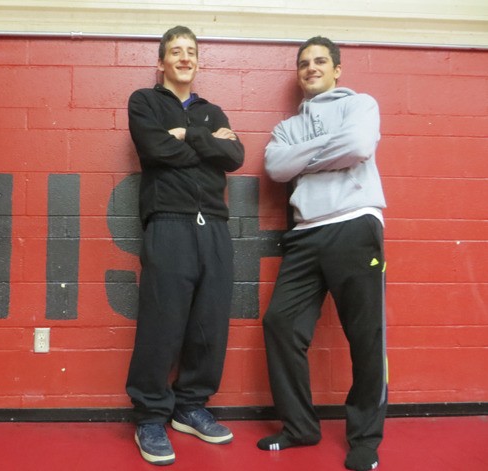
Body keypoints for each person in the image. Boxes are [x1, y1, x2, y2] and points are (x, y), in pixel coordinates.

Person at [258, 36, 388, 471]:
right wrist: (325, 152)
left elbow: (358, 146)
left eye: (320, 61)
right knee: (279, 323)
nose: (311, 67)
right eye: (304, 63)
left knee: (365, 337)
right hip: (305, 233)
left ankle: (365, 439)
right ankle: (301, 426)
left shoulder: (360, 105)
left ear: (336, 70)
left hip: (355, 225)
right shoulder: (285, 128)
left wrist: (305, 160)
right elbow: (277, 167)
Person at [125, 25, 245, 466]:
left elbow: (235, 158)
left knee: (209, 324)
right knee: (163, 322)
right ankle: (151, 415)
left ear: (197, 61)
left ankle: (191, 406)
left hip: (213, 226)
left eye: (191, 51)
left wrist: (186, 134)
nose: (184, 57)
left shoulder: (212, 110)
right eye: (175, 51)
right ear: (161, 63)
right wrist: (208, 143)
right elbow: (155, 150)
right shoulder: (144, 102)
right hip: (169, 223)